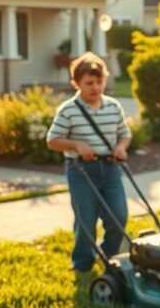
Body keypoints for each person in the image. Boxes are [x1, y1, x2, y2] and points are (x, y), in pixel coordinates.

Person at [46, 52, 132, 272]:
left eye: (99, 81)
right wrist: (76, 145)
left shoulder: (113, 106)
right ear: (76, 83)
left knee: (118, 216)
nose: (95, 87)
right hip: (81, 170)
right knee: (86, 219)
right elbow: (52, 140)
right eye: (89, 83)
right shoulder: (68, 110)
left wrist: (121, 147)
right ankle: (82, 263)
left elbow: (125, 134)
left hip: (111, 168)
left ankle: (111, 257)